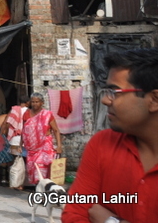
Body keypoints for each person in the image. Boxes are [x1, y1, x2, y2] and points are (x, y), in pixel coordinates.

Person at [62, 49, 158, 223]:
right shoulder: (102, 144)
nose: (105, 100)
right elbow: (74, 215)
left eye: (115, 92)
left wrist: (111, 221)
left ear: (154, 99)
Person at [22, 92, 62, 185]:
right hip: (31, 149)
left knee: (40, 168)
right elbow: (24, 131)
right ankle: (40, 189)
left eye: (37, 102)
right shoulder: (26, 114)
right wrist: (20, 144)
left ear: (42, 103)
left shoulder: (47, 114)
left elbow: (56, 130)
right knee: (33, 168)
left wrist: (59, 146)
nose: (35, 104)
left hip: (44, 147)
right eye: (33, 102)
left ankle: (42, 190)